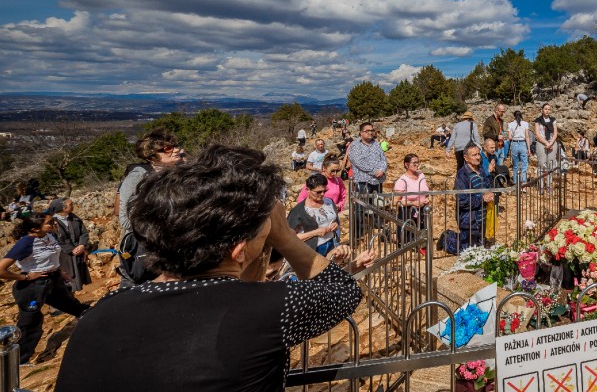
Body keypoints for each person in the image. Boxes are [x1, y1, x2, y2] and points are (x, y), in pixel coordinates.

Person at [55, 145, 374, 391]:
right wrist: (285, 237)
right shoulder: (265, 310)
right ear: (238, 248)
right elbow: (344, 291)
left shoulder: (101, 313)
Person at [0, 213, 91, 364]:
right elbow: (1, 270)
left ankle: (94, 321)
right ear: (35, 229)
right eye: (50, 223)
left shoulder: (48, 236)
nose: (54, 224)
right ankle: (20, 361)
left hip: (53, 280)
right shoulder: (26, 243)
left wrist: (60, 272)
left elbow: (51, 256)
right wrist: (27, 277)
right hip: (32, 286)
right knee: (30, 323)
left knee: (72, 305)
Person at [116, 127, 183, 285]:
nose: (175, 150)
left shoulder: (173, 174)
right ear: (152, 155)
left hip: (165, 246)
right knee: (134, 290)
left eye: (175, 145)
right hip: (142, 248)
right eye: (167, 148)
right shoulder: (138, 176)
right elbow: (125, 220)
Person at [441, 144, 493, 254]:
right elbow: (462, 201)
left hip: (482, 217)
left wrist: (489, 192)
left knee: (479, 247)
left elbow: (487, 184)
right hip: (469, 219)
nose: (478, 157)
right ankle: (446, 239)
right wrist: (482, 199)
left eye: (478, 154)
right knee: (466, 250)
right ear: (465, 158)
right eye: (474, 155)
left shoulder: (481, 169)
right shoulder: (462, 176)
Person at [288, 174, 341, 256]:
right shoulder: (299, 211)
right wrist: (315, 233)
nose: (322, 194)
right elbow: (290, 237)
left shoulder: (329, 202)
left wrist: (335, 224)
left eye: (325, 190)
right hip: (311, 250)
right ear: (308, 190)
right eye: (318, 192)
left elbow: (335, 219)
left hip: (331, 244)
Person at [52, 198, 91, 292]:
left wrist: (82, 245)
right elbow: (54, 239)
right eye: (71, 204)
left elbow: (84, 233)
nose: (73, 206)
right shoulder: (52, 222)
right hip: (63, 256)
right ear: (63, 208)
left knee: (76, 276)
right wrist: (71, 249)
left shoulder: (74, 218)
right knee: (66, 278)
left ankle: (72, 301)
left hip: (77, 253)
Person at [393, 153, 429, 244]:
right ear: (406, 165)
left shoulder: (421, 175)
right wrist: (413, 203)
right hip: (408, 213)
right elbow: (395, 201)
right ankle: (389, 235)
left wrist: (428, 198)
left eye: (418, 162)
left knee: (422, 239)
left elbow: (426, 192)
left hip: (422, 211)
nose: (417, 165)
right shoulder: (402, 180)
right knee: (406, 241)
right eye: (414, 163)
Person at [534, 103, 559, 191]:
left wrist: (551, 143)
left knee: (550, 163)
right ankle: (541, 185)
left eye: (549, 109)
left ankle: (549, 184)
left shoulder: (553, 120)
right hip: (541, 142)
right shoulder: (538, 120)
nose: (547, 110)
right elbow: (537, 134)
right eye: (545, 109)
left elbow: (555, 133)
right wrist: (546, 143)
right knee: (541, 163)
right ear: (542, 110)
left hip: (552, 142)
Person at [507, 110, 531, 187]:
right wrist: (529, 149)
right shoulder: (525, 124)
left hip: (514, 144)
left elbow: (510, 137)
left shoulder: (510, 124)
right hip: (523, 143)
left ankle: (516, 182)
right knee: (524, 164)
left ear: (514, 116)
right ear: (521, 115)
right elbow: (527, 136)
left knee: (515, 164)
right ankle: (524, 182)